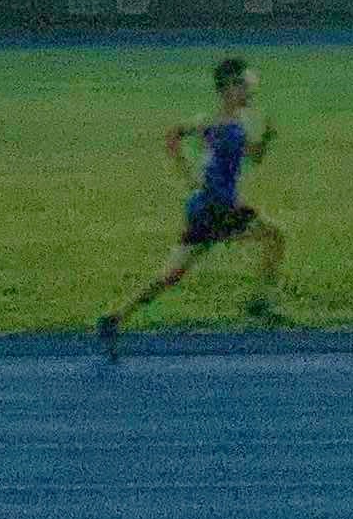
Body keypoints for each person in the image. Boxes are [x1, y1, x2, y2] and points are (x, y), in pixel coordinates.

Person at [100, 57, 287, 345]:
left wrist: (267, 139)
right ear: (228, 89)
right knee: (275, 237)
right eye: (245, 86)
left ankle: (116, 317)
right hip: (219, 208)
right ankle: (260, 304)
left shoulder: (222, 124)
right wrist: (189, 175)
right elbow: (178, 137)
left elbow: (251, 155)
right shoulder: (224, 126)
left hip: (204, 208)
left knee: (172, 275)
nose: (250, 92)